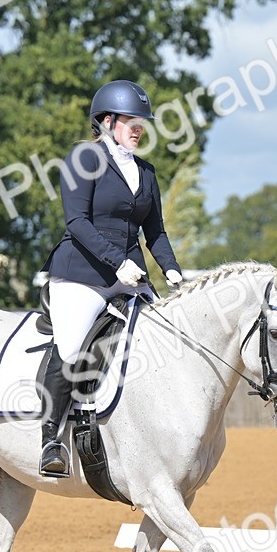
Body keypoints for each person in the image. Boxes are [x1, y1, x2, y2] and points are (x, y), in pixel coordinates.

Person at [37, 80, 184, 477]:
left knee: (168, 336)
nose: (139, 128)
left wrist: (172, 270)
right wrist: (117, 262)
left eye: (142, 122)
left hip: (129, 275)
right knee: (71, 346)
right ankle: (51, 440)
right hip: (82, 274)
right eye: (131, 121)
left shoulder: (146, 172)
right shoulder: (84, 158)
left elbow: (155, 232)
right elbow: (77, 222)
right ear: (106, 121)